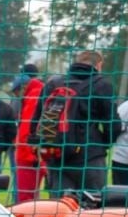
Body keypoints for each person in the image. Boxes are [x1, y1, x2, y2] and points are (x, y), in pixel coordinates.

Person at [41, 49, 121, 196]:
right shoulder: (102, 85)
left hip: (58, 156)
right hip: (90, 156)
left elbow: (37, 119)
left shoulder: (54, 83)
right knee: (93, 207)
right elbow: (113, 124)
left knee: (60, 209)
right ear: (99, 65)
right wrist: (103, 143)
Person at [12, 62, 47, 203]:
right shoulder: (39, 93)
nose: (16, 96)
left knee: (26, 199)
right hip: (41, 154)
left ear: (23, 87)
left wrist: (25, 152)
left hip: (30, 157)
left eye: (16, 92)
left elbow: (28, 129)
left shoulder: (32, 98)